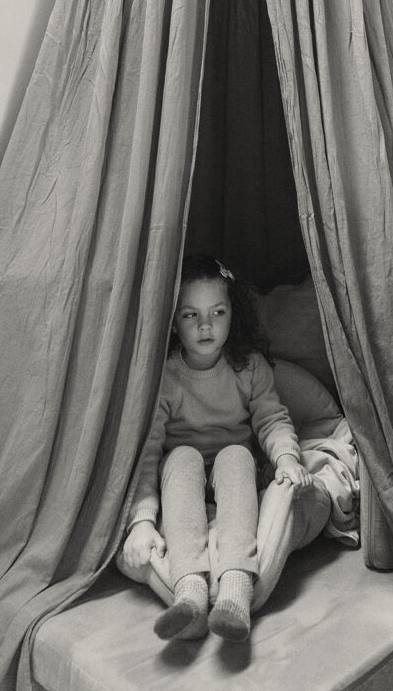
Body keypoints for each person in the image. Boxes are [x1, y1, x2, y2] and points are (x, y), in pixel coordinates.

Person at [122, 253, 312, 642]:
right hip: (182, 473)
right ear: (174, 322)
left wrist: (288, 458)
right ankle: (189, 591)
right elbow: (148, 451)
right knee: (182, 456)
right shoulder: (166, 377)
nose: (206, 325)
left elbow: (272, 420)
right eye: (191, 315)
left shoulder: (249, 366)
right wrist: (142, 521)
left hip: (234, 471)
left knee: (237, 454)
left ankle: (235, 591)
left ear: (233, 313)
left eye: (218, 312)